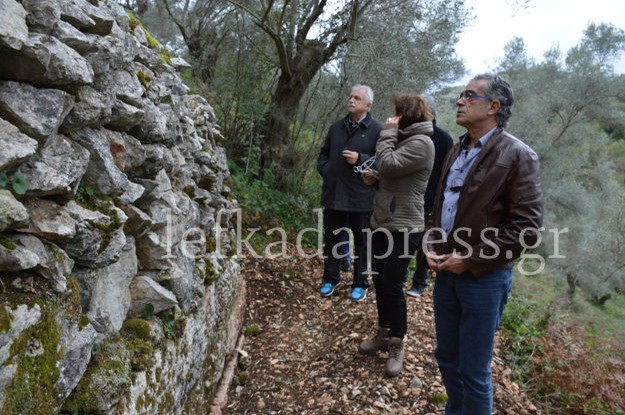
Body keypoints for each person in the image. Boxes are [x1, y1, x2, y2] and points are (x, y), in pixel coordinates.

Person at [425, 74, 543, 414]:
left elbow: (527, 230)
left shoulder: (519, 155)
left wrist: (471, 258)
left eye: (469, 96)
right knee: (447, 358)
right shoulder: (456, 148)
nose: (460, 102)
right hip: (447, 270)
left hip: (484, 278)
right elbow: (441, 205)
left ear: (494, 106)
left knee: (473, 371)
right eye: (460, 96)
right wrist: (431, 245)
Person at [358, 93, 434, 377]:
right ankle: (382, 333)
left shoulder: (421, 143)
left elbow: (388, 163)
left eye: (394, 113)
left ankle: (397, 343)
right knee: (379, 280)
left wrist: (387, 133)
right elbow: (390, 173)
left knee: (392, 284)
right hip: (383, 220)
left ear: (404, 115)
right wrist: (374, 180)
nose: (390, 117)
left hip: (404, 227)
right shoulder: (405, 140)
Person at [317, 84, 383, 301]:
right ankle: (330, 279)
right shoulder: (336, 127)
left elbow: (384, 161)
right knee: (332, 240)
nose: (351, 100)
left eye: (357, 98)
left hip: (361, 197)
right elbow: (323, 154)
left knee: (363, 243)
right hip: (334, 194)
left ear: (368, 105)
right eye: (350, 96)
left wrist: (361, 159)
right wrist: (326, 170)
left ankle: (360, 283)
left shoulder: (377, 130)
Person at [406, 95, 453, 297]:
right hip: (409, 196)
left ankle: (419, 281)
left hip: (432, 198)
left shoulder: (444, 139)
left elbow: (446, 172)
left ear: (430, 113)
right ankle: (400, 276)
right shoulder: (409, 134)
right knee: (405, 237)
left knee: (425, 240)